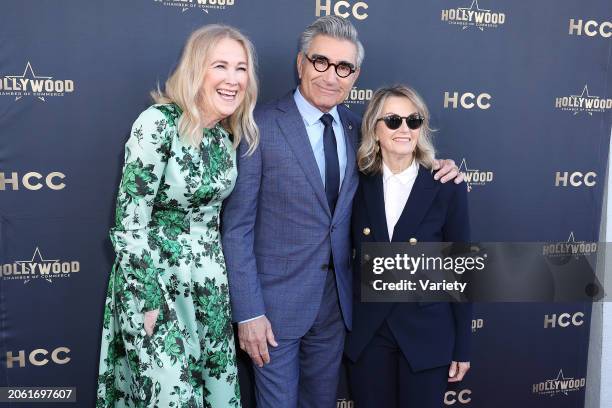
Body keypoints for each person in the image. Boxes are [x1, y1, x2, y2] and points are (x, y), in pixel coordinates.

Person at [222, 16, 463, 407]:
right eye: (320, 62)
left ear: (355, 76)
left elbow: (403, 163)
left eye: (344, 68)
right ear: (300, 63)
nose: (331, 76)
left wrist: (439, 166)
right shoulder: (258, 126)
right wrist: (248, 313)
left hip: (337, 312)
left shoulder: (361, 132)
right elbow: (236, 229)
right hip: (274, 312)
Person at [96, 24, 259, 407]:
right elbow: (129, 224)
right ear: (196, 69)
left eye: (241, 68)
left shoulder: (225, 137)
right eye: (220, 66)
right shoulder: (157, 123)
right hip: (157, 285)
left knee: (217, 395)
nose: (233, 80)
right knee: (168, 397)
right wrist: (149, 301)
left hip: (210, 287)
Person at [344, 85, 472, 407]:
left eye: (413, 121)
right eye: (393, 120)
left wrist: (463, 347)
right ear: (374, 128)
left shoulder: (446, 185)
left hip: (427, 336)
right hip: (370, 335)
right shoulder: (355, 183)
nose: (404, 129)